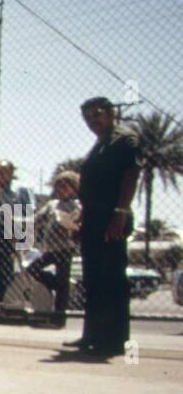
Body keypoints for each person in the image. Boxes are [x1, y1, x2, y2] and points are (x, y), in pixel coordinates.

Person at [69, 96, 142, 358]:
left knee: (111, 279)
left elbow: (130, 175)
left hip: (113, 217)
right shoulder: (99, 144)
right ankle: (93, 335)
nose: (92, 122)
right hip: (93, 219)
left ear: (111, 113)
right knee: (93, 278)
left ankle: (114, 340)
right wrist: (83, 219)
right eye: (87, 118)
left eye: (96, 115)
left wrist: (120, 212)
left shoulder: (124, 139)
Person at [27, 170, 81, 326]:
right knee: (33, 268)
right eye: (59, 186)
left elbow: (76, 224)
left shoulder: (76, 205)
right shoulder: (52, 204)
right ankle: (56, 284)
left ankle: (58, 318)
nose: (61, 189)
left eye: (66, 186)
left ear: (73, 188)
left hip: (65, 248)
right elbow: (38, 218)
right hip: (50, 248)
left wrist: (69, 224)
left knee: (63, 280)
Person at [0, 159, 34, 303]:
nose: (1, 175)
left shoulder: (18, 192)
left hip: (11, 231)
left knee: (8, 267)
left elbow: (27, 213)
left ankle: (8, 298)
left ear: (11, 173)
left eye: (5, 171)